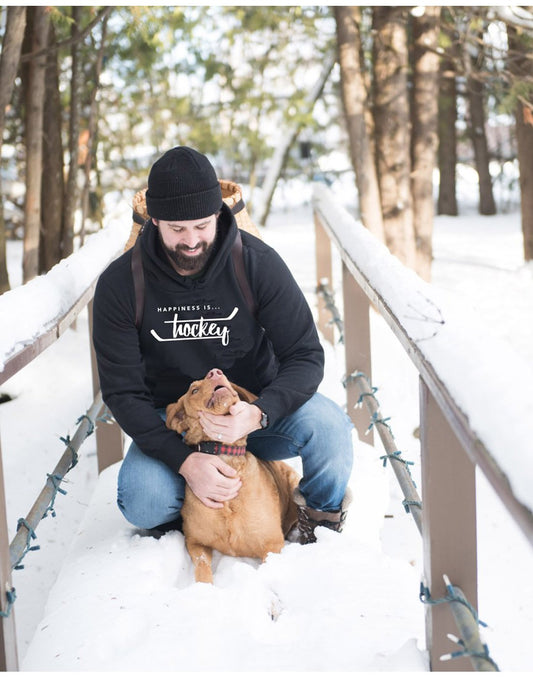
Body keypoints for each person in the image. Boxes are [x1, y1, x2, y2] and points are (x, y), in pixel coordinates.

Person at [92, 146, 353, 544]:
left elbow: (304, 355)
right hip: (177, 423)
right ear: (154, 219)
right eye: (177, 229)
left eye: (201, 225)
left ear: (218, 214)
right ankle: (200, 506)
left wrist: (259, 413)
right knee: (141, 501)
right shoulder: (121, 284)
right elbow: (122, 392)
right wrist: (184, 461)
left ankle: (317, 521)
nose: (191, 241)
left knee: (330, 427)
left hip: (253, 412)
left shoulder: (256, 263)